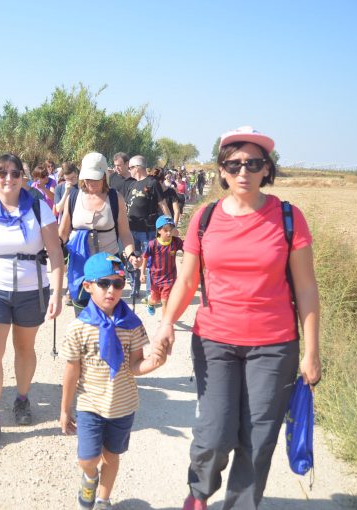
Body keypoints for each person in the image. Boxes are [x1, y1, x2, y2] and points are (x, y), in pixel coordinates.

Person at [153, 126, 321, 510]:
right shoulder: (206, 217)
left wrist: (312, 351)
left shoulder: (288, 218)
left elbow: (307, 290)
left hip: (275, 345)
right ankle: (199, 493)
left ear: (266, 169)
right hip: (215, 341)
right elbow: (187, 280)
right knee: (214, 434)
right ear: (222, 170)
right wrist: (166, 323)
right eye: (234, 163)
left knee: (258, 439)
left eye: (253, 163)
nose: (243, 170)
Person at [0, 153, 64, 443]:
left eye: (14, 173)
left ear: (22, 177)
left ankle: (21, 398)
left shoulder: (37, 207)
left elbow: (55, 253)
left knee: (24, 348)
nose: (8, 179)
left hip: (32, 288)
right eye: (2, 173)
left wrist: (57, 291)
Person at [60, 253, 167, 509]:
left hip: (122, 405)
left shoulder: (131, 324)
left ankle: (103, 499)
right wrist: (64, 409)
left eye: (118, 284)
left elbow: (134, 365)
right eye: (104, 283)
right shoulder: (79, 327)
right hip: (91, 405)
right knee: (89, 457)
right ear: (87, 286)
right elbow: (71, 371)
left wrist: (154, 363)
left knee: (111, 455)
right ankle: (90, 476)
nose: (112, 290)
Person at [59, 152, 135, 315]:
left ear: (104, 176)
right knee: (83, 315)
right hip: (80, 267)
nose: (90, 181)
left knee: (106, 316)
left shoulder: (116, 199)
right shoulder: (73, 197)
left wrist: (131, 254)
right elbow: (63, 233)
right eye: (87, 177)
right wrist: (56, 251)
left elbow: (125, 233)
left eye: (95, 177)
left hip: (108, 266)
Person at [109, 154, 171, 299]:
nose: (129, 171)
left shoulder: (152, 183)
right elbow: (125, 206)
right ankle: (135, 287)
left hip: (147, 230)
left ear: (137, 168)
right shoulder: (131, 184)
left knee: (150, 262)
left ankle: (151, 291)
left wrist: (169, 225)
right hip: (131, 230)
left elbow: (162, 205)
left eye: (130, 167)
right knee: (132, 260)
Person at [138, 216, 183, 318]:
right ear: (159, 231)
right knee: (155, 300)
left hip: (170, 277)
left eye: (171, 230)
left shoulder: (176, 242)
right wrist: (142, 273)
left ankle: (165, 323)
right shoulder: (152, 244)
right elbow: (145, 257)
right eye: (165, 230)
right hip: (155, 278)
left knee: (165, 300)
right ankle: (150, 303)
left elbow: (188, 248)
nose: (169, 233)